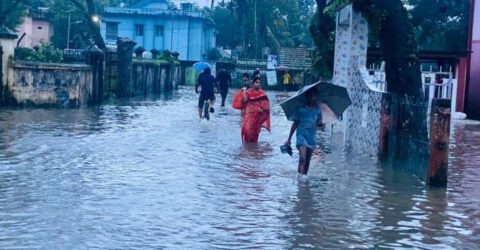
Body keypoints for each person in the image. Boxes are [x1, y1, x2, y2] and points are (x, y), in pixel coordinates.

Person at [284, 87, 324, 176]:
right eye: (310, 95)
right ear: (307, 96)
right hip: (301, 135)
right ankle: (300, 180)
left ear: (316, 96)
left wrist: (320, 124)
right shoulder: (300, 108)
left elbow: (319, 123)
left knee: (308, 160)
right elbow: (295, 123)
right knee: (302, 158)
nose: (312, 98)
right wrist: (289, 139)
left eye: (314, 96)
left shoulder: (317, 109)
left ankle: (303, 177)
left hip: (311, 136)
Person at [234, 77, 270, 143]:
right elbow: (245, 100)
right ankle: (248, 150)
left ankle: (253, 150)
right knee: (247, 133)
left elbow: (266, 107)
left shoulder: (262, 94)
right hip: (248, 117)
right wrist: (244, 91)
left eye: (259, 83)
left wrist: (261, 109)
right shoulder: (247, 92)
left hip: (257, 119)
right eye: (256, 82)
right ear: (253, 84)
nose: (258, 84)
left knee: (255, 136)